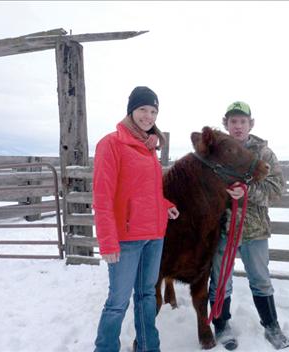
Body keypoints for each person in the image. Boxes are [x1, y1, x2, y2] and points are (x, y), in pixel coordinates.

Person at [93, 86, 179, 352]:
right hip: (126, 239)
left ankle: (147, 347)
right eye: (143, 109)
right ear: (131, 110)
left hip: (154, 236)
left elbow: (146, 191)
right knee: (118, 301)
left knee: (146, 296)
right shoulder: (111, 144)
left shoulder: (149, 147)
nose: (148, 116)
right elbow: (103, 196)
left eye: (153, 111)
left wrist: (165, 205)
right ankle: (105, 348)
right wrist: (107, 242)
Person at [209, 101, 289, 350]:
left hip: (254, 231)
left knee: (260, 279)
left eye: (242, 121)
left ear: (250, 124)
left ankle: (271, 326)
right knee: (221, 280)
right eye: (233, 121)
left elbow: (276, 191)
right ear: (226, 124)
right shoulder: (214, 153)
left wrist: (247, 191)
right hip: (222, 230)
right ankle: (222, 326)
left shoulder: (264, 154)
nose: (238, 126)